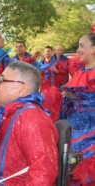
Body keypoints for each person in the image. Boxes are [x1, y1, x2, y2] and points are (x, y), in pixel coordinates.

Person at [60, 34, 95, 185]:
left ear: (94, 49)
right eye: (78, 46)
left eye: (82, 46)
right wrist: (66, 95)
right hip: (74, 122)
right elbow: (79, 97)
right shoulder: (80, 72)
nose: (78, 50)